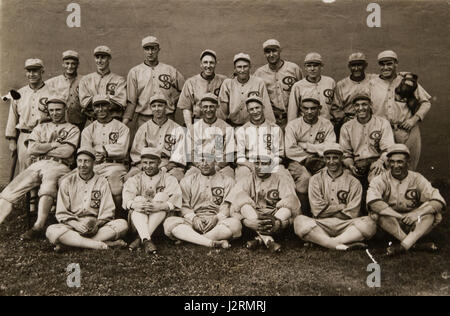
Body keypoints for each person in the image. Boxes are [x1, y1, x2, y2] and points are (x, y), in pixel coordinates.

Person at [0, 98, 79, 239]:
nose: (55, 113)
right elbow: (31, 149)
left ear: (65, 110)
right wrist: (53, 145)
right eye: (52, 110)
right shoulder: (40, 127)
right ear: (48, 111)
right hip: (37, 164)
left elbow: (66, 152)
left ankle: (38, 226)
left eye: (58, 109)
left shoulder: (72, 129)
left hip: (59, 165)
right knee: (9, 192)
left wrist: (42, 148)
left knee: (47, 187)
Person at [367, 144, 446, 256]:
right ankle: (412, 244)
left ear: (408, 163)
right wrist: (400, 216)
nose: (395, 165)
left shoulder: (417, 178)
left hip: (413, 223)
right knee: (377, 214)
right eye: (392, 162)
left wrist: (417, 214)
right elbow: (374, 203)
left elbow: (438, 201)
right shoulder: (380, 179)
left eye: (400, 162)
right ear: (388, 163)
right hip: (392, 223)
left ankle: (402, 246)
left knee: (433, 214)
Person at [293, 143, 376, 250]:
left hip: (346, 225)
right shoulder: (315, 179)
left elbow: (351, 213)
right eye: (328, 158)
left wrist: (327, 209)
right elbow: (317, 210)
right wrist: (340, 207)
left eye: (335, 158)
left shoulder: (353, 182)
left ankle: (326, 242)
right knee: (299, 221)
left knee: (370, 223)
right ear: (324, 159)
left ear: (341, 158)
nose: (331, 162)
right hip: (321, 224)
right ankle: (342, 245)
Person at [46, 146, 128, 251]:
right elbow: (62, 213)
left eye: (86, 161)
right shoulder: (68, 181)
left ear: (93, 163)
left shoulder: (102, 182)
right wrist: (76, 224)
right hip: (73, 225)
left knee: (122, 224)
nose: (82, 165)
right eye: (79, 161)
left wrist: (96, 224)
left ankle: (70, 245)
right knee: (51, 230)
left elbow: (108, 211)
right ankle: (99, 245)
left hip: (96, 226)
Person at [369, 50, 432, 170]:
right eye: (382, 64)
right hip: (382, 132)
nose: (385, 67)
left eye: (389, 63)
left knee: (408, 166)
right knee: (384, 167)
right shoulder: (372, 84)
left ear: (396, 64)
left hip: (406, 130)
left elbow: (426, 103)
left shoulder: (407, 81)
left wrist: (414, 119)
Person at [163, 155, 241, 249]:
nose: (204, 164)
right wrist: (194, 218)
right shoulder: (187, 181)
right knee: (169, 222)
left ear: (215, 160)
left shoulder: (228, 181)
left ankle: (193, 239)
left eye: (208, 160)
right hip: (192, 222)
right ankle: (210, 242)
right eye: (201, 160)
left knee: (235, 224)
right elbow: (183, 205)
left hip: (218, 223)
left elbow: (228, 206)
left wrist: (216, 218)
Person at [230, 156, 300, 252]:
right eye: (257, 163)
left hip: (275, 218)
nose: (260, 167)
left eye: (264, 163)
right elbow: (233, 210)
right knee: (244, 206)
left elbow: (295, 209)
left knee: (287, 208)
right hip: (254, 218)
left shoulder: (281, 179)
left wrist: (281, 223)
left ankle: (259, 239)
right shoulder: (246, 179)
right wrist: (246, 222)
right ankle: (269, 241)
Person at [123, 147, 182, 254]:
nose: (148, 166)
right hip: (138, 221)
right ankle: (147, 239)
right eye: (145, 163)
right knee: (138, 199)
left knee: (161, 196)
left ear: (159, 163)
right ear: (141, 163)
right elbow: (127, 199)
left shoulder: (168, 178)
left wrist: (160, 206)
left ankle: (140, 238)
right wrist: (135, 205)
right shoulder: (136, 178)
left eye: (152, 163)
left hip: (160, 222)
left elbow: (176, 198)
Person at [285, 94, 336, 214]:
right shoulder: (293, 125)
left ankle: (325, 213)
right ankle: (304, 214)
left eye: (313, 108)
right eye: (305, 108)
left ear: (319, 108)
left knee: (327, 178)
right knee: (305, 178)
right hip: (298, 162)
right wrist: (307, 158)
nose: (309, 112)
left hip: (321, 161)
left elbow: (330, 147)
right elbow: (290, 150)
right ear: (301, 109)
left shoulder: (327, 124)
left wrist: (305, 145)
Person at [80, 95, 130, 214]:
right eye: (97, 106)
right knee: (71, 181)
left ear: (109, 107)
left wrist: (103, 150)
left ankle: (118, 216)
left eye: (104, 105)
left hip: (115, 165)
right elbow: (85, 150)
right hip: (95, 165)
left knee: (115, 187)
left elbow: (122, 150)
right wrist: (93, 156)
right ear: (93, 109)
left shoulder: (121, 127)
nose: (101, 109)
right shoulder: (88, 129)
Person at [124, 36, 185, 128]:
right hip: (144, 118)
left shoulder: (170, 70)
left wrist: (173, 101)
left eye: (153, 49)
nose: (150, 52)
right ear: (143, 50)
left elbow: (185, 90)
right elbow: (131, 101)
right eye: (147, 49)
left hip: (167, 117)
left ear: (158, 49)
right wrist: (124, 123)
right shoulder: (135, 72)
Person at [339, 92, 395, 188]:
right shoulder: (347, 127)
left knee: (377, 180)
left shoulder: (382, 123)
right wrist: (351, 166)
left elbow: (388, 149)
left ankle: (376, 203)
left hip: (376, 162)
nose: (361, 108)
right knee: (344, 182)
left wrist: (380, 161)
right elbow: (345, 153)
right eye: (357, 105)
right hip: (357, 164)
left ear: (370, 105)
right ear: (353, 107)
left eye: (364, 104)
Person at [5, 58, 51, 173]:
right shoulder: (19, 93)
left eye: (35, 71)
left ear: (42, 71)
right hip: (25, 135)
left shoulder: (52, 92)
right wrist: (12, 141)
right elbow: (13, 117)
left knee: (42, 171)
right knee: (24, 172)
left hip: (43, 137)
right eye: (29, 71)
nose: (31, 74)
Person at [127, 94, 186, 182]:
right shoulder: (144, 128)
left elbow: (179, 156)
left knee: (178, 178)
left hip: (168, 163)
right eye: (154, 106)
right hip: (147, 163)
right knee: (130, 178)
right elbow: (136, 153)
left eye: (160, 105)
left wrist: (166, 168)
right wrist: (145, 167)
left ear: (166, 107)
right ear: (150, 108)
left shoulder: (177, 128)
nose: (157, 109)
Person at [254, 39, 303, 129]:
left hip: (293, 118)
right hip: (271, 120)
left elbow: (302, 93)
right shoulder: (259, 73)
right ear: (264, 54)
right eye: (268, 52)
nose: (271, 55)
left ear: (280, 51)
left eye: (274, 51)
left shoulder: (293, 68)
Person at [218, 53, 275, 127]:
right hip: (232, 125)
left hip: (253, 126)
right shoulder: (228, 83)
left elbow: (266, 106)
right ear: (235, 68)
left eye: (245, 66)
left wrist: (271, 126)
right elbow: (222, 111)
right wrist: (220, 127)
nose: (242, 70)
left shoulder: (258, 82)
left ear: (250, 67)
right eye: (239, 67)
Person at [186, 93, 235, 179]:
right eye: (205, 107)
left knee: (229, 178)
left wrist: (217, 167)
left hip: (221, 167)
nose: (208, 109)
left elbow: (229, 153)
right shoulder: (193, 128)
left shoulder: (227, 128)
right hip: (199, 166)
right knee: (188, 178)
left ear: (217, 107)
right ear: (201, 108)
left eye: (211, 106)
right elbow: (191, 152)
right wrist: (200, 166)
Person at [178, 49, 227, 130]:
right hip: (198, 124)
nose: (208, 65)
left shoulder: (224, 81)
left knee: (218, 143)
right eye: (205, 62)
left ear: (215, 64)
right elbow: (186, 108)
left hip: (219, 125)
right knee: (199, 143)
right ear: (201, 64)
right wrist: (190, 128)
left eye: (211, 62)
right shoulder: (191, 82)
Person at [333, 52, 376, 139]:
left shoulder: (374, 79)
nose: (356, 68)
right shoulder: (341, 84)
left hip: (371, 121)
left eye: (359, 65)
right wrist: (348, 121)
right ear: (349, 66)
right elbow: (335, 108)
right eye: (353, 65)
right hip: (349, 122)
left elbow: (391, 78)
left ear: (365, 65)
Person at [79, 46, 126, 120]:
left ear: (109, 59)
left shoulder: (119, 80)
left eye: (103, 57)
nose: (99, 61)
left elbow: (120, 102)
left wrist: (95, 100)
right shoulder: (85, 79)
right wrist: (107, 100)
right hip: (92, 119)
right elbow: (84, 102)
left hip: (114, 120)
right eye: (97, 57)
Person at [287, 52, 336, 122]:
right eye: (309, 66)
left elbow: (335, 107)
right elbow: (292, 112)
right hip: (305, 126)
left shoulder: (330, 82)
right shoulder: (298, 86)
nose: (312, 69)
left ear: (321, 66)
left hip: (327, 125)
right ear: (305, 68)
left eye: (315, 65)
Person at [46, 50, 87, 132]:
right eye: (67, 63)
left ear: (77, 65)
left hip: (80, 123)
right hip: (59, 123)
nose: (70, 66)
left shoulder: (85, 80)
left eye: (73, 63)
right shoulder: (52, 82)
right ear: (63, 64)